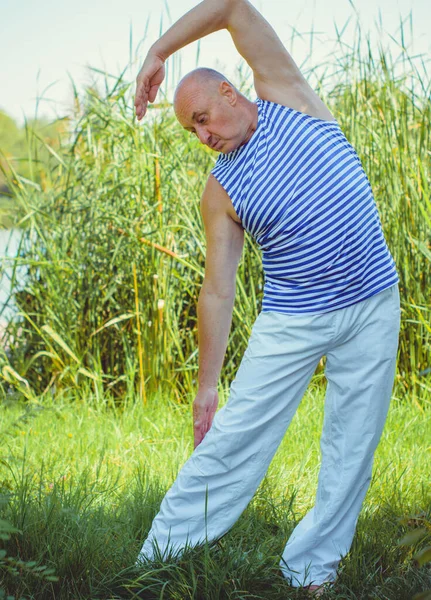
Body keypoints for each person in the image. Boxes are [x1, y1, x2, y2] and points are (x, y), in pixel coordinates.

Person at [133, 0, 401, 596]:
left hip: (373, 304)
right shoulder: (221, 187)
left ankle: (310, 570)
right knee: (234, 441)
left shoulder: (289, 97)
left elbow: (230, 5)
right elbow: (218, 288)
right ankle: (157, 557)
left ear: (230, 93)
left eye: (203, 117)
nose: (203, 135)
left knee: (351, 446)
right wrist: (207, 385)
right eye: (192, 131)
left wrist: (158, 53)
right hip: (294, 319)